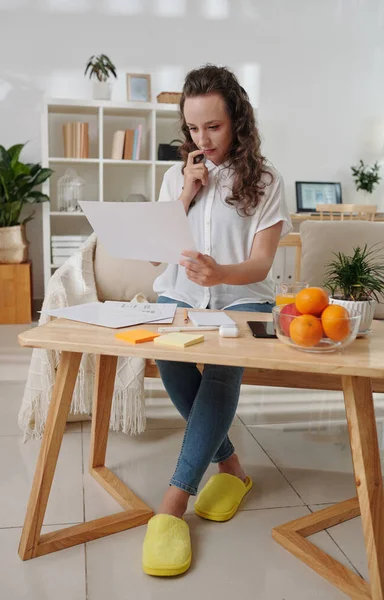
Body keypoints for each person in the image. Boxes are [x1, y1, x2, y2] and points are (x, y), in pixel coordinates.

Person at [142, 64, 292, 577]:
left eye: (214, 127)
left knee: (223, 365)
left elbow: (261, 265)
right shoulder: (174, 175)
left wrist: (219, 274)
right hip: (180, 298)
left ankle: (173, 500)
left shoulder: (266, 180)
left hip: (243, 299)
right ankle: (230, 466)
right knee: (170, 358)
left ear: (238, 122)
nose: (201, 139)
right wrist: (185, 194)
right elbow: (153, 256)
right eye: (192, 128)